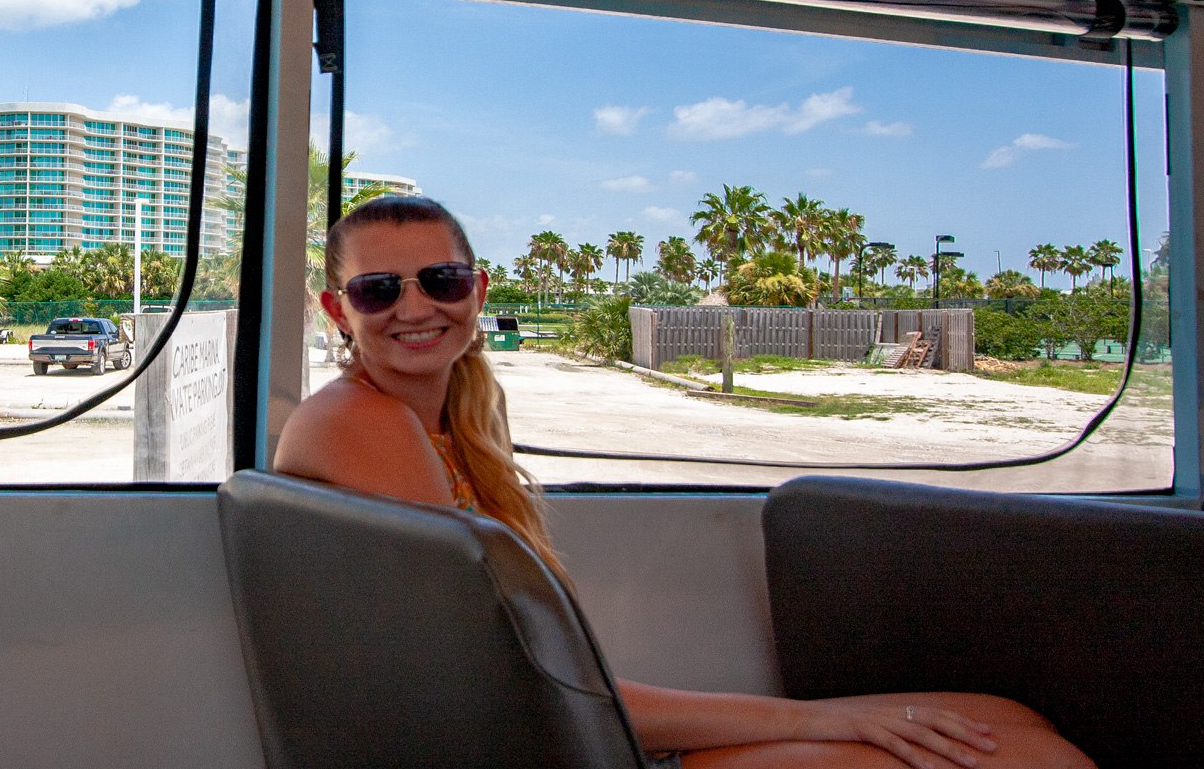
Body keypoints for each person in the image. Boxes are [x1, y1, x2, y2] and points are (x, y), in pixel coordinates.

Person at [274, 194, 1096, 769]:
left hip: (561, 732)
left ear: (478, 291)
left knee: (1004, 720)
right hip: (534, 747)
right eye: (378, 289)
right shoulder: (358, 422)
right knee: (1011, 752)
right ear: (336, 310)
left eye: (441, 280)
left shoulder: (455, 421)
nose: (415, 306)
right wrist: (825, 717)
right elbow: (525, 691)